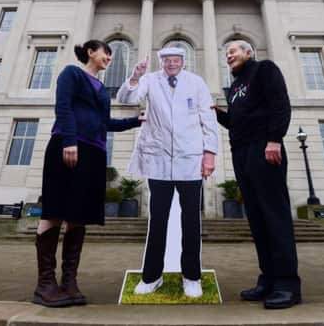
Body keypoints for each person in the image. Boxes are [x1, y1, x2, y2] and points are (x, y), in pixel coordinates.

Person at [33, 40, 142, 308]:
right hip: (68, 146)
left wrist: (136, 121)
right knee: (55, 211)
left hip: (94, 152)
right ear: (91, 53)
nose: (109, 57)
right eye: (106, 52)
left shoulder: (103, 90)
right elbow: (64, 106)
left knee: (78, 216)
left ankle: (69, 281)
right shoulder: (72, 73)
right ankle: (45, 284)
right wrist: (69, 140)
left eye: (111, 55)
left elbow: (105, 123)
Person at [116, 46, 218, 298]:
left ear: (183, 61)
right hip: (158, 160)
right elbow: (126, 99)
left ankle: (192, 276)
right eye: (166, 60)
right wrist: (135, 76)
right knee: (157, 220)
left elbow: (208, 119)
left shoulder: (196, 82)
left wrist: (210, 154)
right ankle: (152, 277)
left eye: (176, 60)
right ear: (161, 62)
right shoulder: (150, 80)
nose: (171, 64)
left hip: (190, 161)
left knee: (191, 221)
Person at [213, 40, 301, 309]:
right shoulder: (236, 87)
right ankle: (268, 280)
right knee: (257, 219)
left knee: (274, 215)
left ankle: (287, 283)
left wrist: (274, 139)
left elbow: (280, 104)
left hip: (265, 147)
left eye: (234, 51)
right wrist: (214, 112)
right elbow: (234, 122)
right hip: (241, 152)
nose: (229, 56)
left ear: (248, 52)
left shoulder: (264, 69)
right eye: (226, 53)